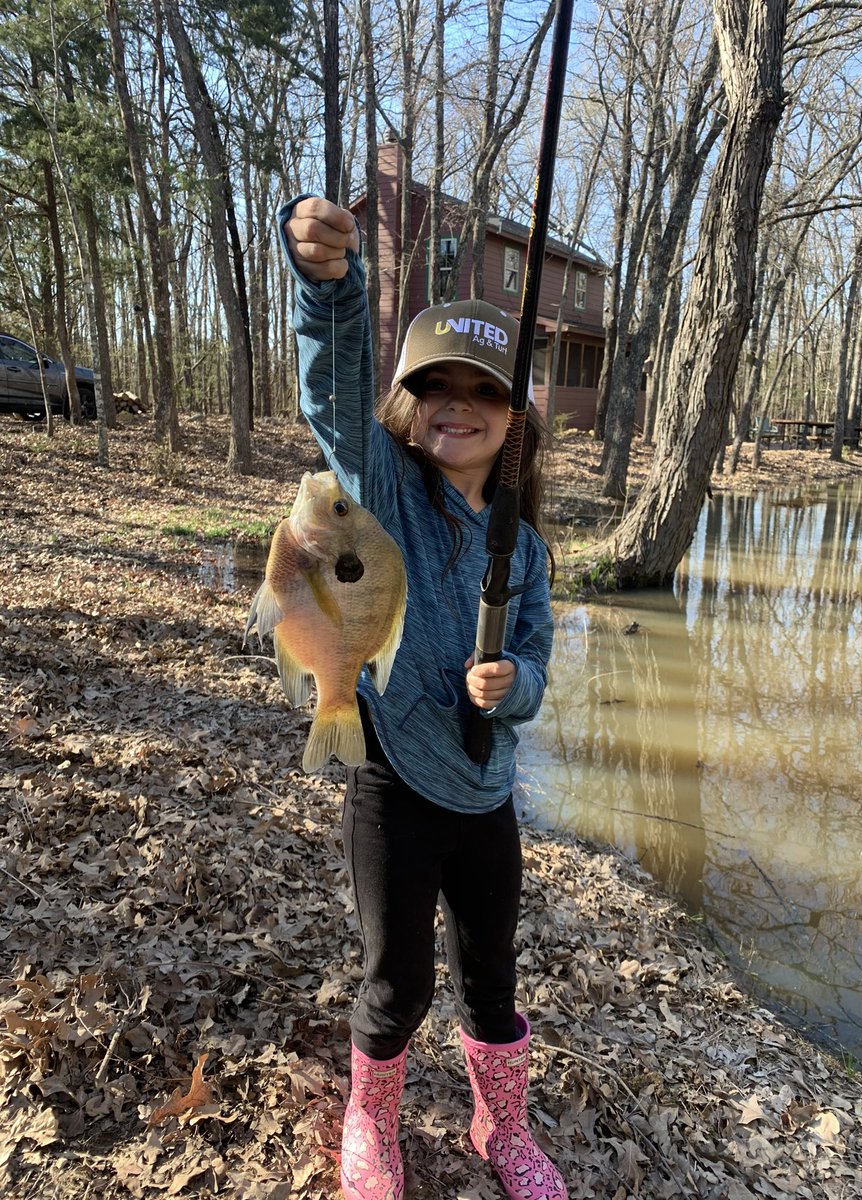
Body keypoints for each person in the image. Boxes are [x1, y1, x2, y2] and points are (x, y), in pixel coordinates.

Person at [277, 194, 567, 1200]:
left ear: (514, 418)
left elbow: (536, 654)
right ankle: (371, 1123)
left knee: (493, 978)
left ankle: (503, 1127)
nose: (457, 404)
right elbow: (334, 392)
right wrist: (331, 291)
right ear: (408, 403)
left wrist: (514, 683)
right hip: (392, 789)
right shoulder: (383, 489)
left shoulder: (524, 547)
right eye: (434, 386)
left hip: (487, 800)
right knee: (395, 982)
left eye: (481, 392)